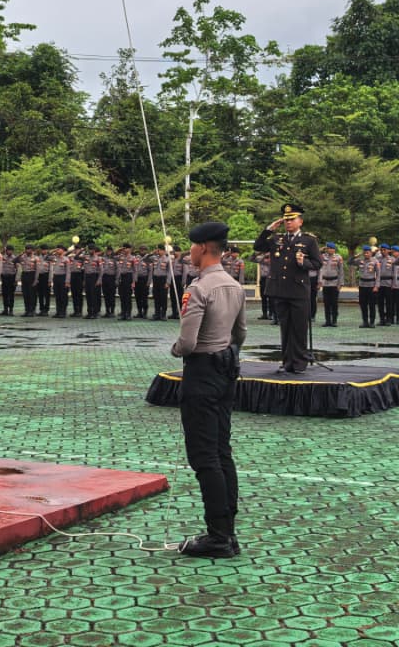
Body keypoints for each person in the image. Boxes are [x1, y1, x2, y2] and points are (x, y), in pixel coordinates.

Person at [171, 219, 246, 558]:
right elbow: (240, 334)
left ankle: (217, 537)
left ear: (202, 249)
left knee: (204, 457)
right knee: (221, 451)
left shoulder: (199, 288)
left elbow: (187, 343)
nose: (189, 251)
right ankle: (228, 531)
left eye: (191, 247)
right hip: (226, 370)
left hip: (201, 372)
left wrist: (175, 348)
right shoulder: (234, 285)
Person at [253, 202, 321, 373]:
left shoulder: (308, 240)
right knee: (285, 328)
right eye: (286, 220)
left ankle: (299, 363)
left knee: (299, 328)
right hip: (280, 290)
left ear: (300, 221)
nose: (288, 223)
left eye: (292, 220)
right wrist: (269, 229)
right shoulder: (277, 239)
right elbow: (258, 246)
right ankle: (286, 362)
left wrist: (303, 263)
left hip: (298, 290)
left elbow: (317, 263)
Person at [319, 243, 344, 327]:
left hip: (334, 283)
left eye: (330, 248)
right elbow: (320, 270)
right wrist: (319, 281)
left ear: (334, 249)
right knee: (326, 303)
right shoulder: (323, 257)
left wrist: (340, 283)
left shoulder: (338, 257)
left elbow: (341, 271)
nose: (329, 250)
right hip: (325, 283)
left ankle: (334, 320)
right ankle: (327, 321)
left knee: (334, 303)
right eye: (327, 248)